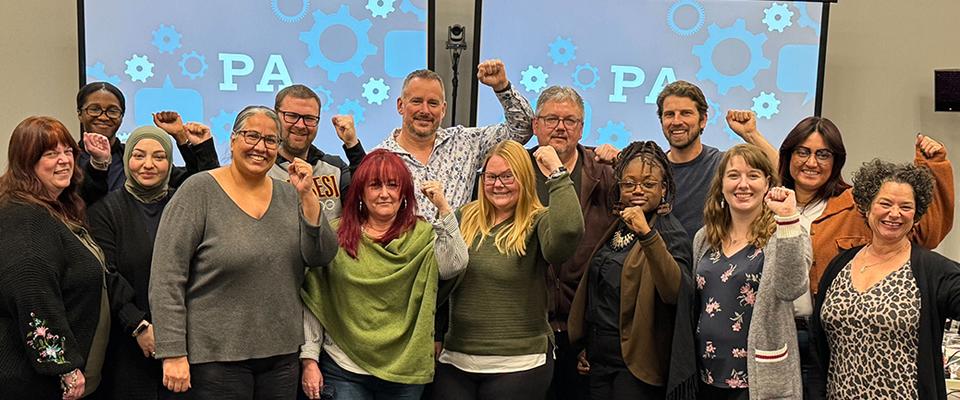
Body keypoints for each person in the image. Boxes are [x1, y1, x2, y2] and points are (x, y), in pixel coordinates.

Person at [149, 106, 338, 398]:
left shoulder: (290, 194)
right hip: (215, 358)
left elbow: (321, 256)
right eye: (252, 136)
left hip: (281, 355)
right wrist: (172, 352)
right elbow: (167, 278)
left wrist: (307, 196)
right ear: (233, 139)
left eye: (271, 140)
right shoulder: (199, 191)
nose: (260, 147)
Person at [776, 117, 954, 399]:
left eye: (823, 154)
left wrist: (934, 166)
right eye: (802, 152)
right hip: (782, 340)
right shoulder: (770, 205)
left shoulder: (854, 205)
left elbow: (924, 232)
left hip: (833, 344)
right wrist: (751, 135)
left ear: (836, 160)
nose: (812, 162)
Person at [299, 149, 468, 400]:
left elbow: (454, 265)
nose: (384, 193)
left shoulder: (422, 235)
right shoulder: (335, 235)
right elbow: (316, 298)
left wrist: (443, 208)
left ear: (404, 192)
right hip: (344, 368)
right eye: (375, 185)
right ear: (360, 192)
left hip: (404, 371)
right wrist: (310, 360)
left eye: (392, 185)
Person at [431, 141, 584, 400]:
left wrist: (558, 175)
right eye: (491, 177)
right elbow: (441, 279)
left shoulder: (538, 220)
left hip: (520, 362)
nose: (498, 184)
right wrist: (436, 331)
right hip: (457, 359)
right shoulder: (463, 217)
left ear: (524, 178)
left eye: (507, 176)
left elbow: (568, 232)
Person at [87, 120, 218, 399]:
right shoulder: (104, 211)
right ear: (127, 159)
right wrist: (138, 325)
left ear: (170, 163)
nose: (148, 165)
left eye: (159, 157)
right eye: (139, 155)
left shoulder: (184, 205)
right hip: (126, 343)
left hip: (188, 340)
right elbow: (106, 273)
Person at [810, 160, 960, 400]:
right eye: (885, 203)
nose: (895, 213)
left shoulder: (933, 270)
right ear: (867, 206)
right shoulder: (839, 265)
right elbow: (819, 350)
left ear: (916, 215)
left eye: (906, 206)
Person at [567, 141, 696, 400]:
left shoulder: (670, 233)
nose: (637, 190)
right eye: (628, 184)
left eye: (648, 184)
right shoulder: (617, 226)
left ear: (663, 188)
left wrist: (647, 235)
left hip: (636, 368)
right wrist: (586, 345)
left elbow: (675, 292)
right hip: (598, 360)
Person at [0, 116, 111, 400]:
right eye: (50, 154)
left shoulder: (53, 206)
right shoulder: (24, 216)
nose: (64, 160)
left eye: (68, 151)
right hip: (33, 383)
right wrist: (62, 365)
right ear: (26, 162)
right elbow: (31, 291)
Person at [692, 144, 811, 399]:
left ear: (767, 183)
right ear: (721, 184)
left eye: (753, 175)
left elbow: (791, 288)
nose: (743, 184)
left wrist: (787, 217)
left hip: (759, 379)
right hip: (707, 374)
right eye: (734, 175)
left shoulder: (788, 232)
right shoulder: (704, 238)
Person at [527, 86, 618, 400]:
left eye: (570, 120)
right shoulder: (515, 169)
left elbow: (652, 189)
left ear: (581, 128)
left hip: (586, 326)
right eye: (551, 119)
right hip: (527, 326)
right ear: (536, 125)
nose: (560, 127)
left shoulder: (604, 170)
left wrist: (623, 161)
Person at [376, 60, 534, 222]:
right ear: (400, 105)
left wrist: (502, 87)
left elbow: (522, 129)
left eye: (433, 103)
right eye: (416, 101)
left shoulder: (466, 143)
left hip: (459, 239)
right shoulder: (379, 158)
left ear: (443, 109)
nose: (425, 110)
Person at [654, 80, 778, 243]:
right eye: (669, 114)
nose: (676, 121)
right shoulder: (653, 171)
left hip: (713, 257)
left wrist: (751, 134)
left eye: (686, 113)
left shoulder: (721, 164)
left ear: (703, 120)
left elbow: (782, 172)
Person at [76, 81, 219, 192]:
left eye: (113, 111)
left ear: (122, 116)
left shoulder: (137, 157)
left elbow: (195, 186)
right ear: (80, 114)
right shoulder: (70, 159)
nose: (103, 117)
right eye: (94, 109)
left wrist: (181, 137)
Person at [269, 84, 366, 220]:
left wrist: (352, 144)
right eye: (291, 116)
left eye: (309, 118)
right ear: (275, 117)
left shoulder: (335, 168)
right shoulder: (262, 169)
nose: (300, 125)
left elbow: (368, 199)